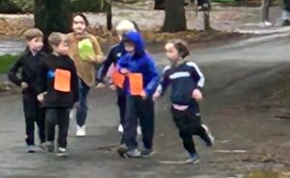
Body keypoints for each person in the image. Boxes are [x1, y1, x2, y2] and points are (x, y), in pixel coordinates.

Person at [163, 39, 215, 161]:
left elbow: (200, 78)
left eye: (171, 51)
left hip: (190, 104)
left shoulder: (190, 67)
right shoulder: (168, 70)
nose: (168, 54)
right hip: (176, 106)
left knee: (194, 127)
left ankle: (204, 134)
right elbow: (163, 84)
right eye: (166, 52)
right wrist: (156, 92)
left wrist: (197, 89)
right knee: (184, 132)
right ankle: (193, 154)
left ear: (181, 52)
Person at [113, 26, 160, 158]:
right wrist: (121, 73)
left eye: (130, 43)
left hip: (144, 94)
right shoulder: (126, 58)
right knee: (129, 119)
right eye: (126, 43)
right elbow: (118, 67)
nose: (128, 46)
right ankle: (130, 145)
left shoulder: (146, 59)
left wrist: (147, 90)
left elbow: (155, 76)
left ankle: (147, 146)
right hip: (131, 92)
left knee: (146, 120)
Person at [39, 32, 81, 156]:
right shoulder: (46, 61)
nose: (67, 48)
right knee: (50, 119)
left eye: (67, 45)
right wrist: (40, 92)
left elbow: (74, 79)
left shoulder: (68, 62)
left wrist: (75, 97)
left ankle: (62, 145)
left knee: (64, 123)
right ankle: (49, 140)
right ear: (54, 46)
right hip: (51, 96)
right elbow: (40, 78)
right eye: (64, 45)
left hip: (66, 97)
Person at [7, 29, 49, 151]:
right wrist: (20, 82)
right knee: (29, 116)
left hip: (42, 91)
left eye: (41, 41)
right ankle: (30, 142)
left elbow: (51, 73)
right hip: (29, 92)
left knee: (42, 117)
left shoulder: (45, 57)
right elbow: (11, 72)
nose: (39, 44)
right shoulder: (24, 58)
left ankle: (44, 140)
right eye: (36, 41)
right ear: (28, 42)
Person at [68, 13, 102, 136]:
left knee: (82, 98)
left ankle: (80, 124)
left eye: (81, 23)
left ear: (85, 25)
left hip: (87, 75)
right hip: (71, 74)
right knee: (78, 93)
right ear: (72, 25)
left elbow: (100, 56)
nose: (79, 25)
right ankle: (72, 106)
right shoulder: (67, 38)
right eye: (76, 23)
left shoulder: (91, 39)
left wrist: (94, 59)